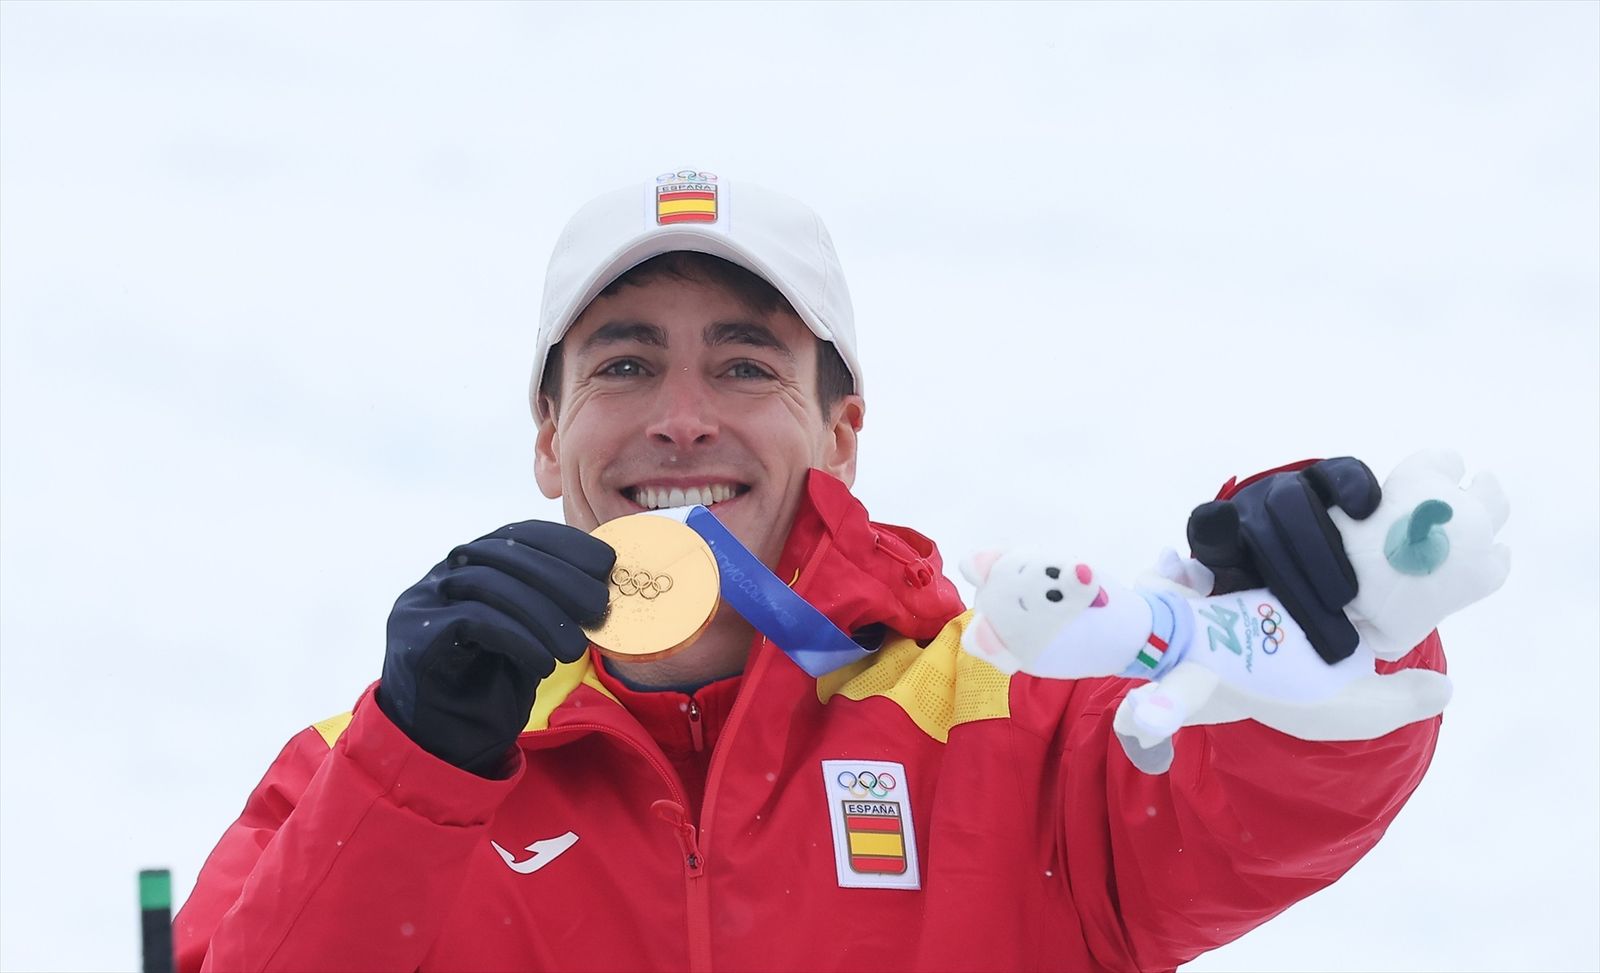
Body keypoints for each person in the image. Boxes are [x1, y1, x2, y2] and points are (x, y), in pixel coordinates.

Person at [174, 170, 1444, 972]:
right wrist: (417, 769)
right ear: (548, 434)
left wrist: (1325, 622)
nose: (680, 417)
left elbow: (1269, 794)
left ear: (840, 431)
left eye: (743, 365)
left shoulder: (1017, 725)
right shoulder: (380, 763)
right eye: (622, 364)